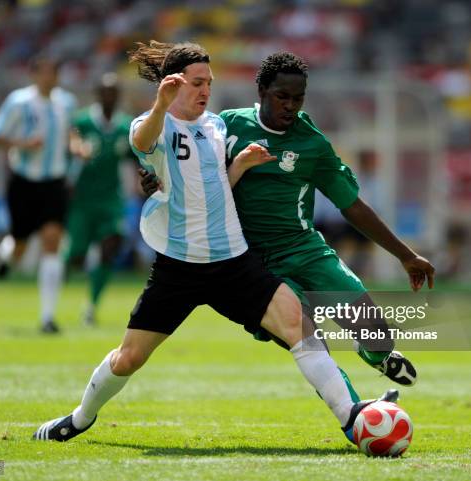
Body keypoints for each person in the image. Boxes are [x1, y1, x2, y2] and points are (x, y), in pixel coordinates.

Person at [33, 41, 397, 444]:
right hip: (179, 268)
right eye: (197, 83)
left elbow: (215, 188)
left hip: (232, 263)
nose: (206, 90)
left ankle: (352, 418)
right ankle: (81, 417)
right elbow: (141, 142)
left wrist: (238, 165)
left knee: (298, 325)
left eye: (209, 82)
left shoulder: (218, 126)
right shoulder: (154, 124)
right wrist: (160, 105)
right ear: (174, 84)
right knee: (129, 358)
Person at [140, 52, 435, 387]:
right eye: (282, 97)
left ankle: (376, 355)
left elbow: (351, 205)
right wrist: (156, 179)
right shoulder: (227, 126)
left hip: (304, 250)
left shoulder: (312, 144)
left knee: (378, 334)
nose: (290, 106)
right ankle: (356, 414)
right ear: (262, 91)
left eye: (298, 99)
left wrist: (405, 255)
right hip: (249, 263)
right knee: (307, 337)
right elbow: (189, 172)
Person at [0, 56, 77, 333]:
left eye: (54, 72)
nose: (50, 77)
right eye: (45, 71)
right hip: (25, 182)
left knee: (52, 240)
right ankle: (5, 258)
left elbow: (70, 132)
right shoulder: (19, 102)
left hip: (55, 182)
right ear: (34, 74)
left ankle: (47, 318)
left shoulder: (67, 102)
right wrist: (24, 144)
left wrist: (77, 145)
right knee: (20, 245)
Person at [66, 73, 135, 325]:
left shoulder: (126, 126)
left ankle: (91, 306)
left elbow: (136, 157)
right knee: (76, 257)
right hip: (82, 200)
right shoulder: (82, 122)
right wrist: (74, 148)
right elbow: (70, 140)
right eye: (105, 91)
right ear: (98, 95)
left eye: (114, 92)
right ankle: (66, 269)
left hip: (111, 199)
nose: (110, 96)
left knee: (111, 245)